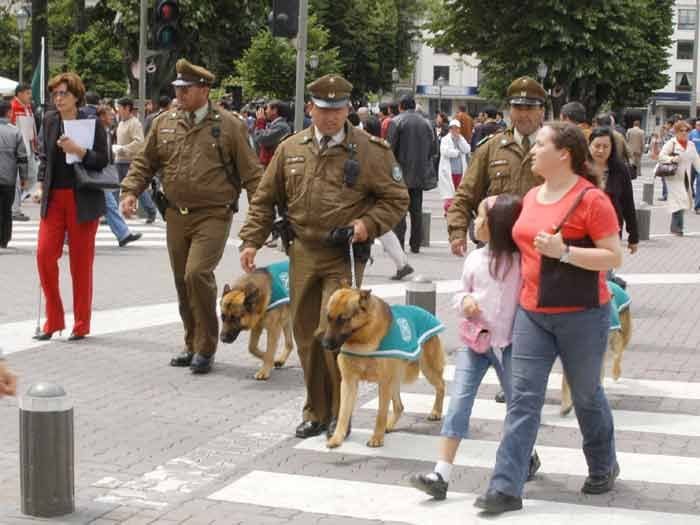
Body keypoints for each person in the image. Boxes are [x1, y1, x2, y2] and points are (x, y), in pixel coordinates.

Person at [238, 73, 409, 439]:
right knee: (305, 335)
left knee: (332, 330)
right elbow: (264, 199)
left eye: (338, 109)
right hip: (302, 251)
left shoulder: (369, 150)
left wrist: (367, 224)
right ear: (310, 108)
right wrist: (251, 240)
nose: (330, 117)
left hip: (343, 253)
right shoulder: (291, 148)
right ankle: (315, 410)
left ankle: (337, 415)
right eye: (323, 109)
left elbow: (396, 198)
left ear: (348, 109)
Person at [475, 122, 623, 514]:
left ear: (564, 154)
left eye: (541, 144)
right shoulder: (531, 195)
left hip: (583, 315)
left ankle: (603, 465)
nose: (533, 150)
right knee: (522, 399)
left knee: (587, 394)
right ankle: (505, 486)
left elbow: (613, 256)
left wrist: (566, 252)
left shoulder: (592, 200)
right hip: (532, 313)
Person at [120, 59, 262, 374]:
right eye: (177, 89)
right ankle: (190, 342)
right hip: (175, 214)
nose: (180, 94)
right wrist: (130, 191)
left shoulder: (229, 125)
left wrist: (259, 223)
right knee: (182, 283)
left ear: (204, 90)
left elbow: (252, 175)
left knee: (196, 273)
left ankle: (207, 346)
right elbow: (145, 162)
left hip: (213, 214)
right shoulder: (164, 122)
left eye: (186, 89)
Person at [410, 193, 540, 501]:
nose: (476, 222)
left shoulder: (523, 262)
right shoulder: (474, 259)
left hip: (510, 346)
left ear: (499, 226)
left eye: (481, 217)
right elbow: (461, 292)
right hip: (474, 342)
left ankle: (528, 455)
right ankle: (440, 473)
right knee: (459, 403)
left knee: (517, 406)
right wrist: (464, 301)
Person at [31, 72, 109, 341]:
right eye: (55, 94)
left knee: (81, 263)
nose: (58, 98)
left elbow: (102, 160)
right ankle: (54, 320)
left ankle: (82, 323)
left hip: (82, 198)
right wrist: (41, 185)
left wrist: (78, 150)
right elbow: (44, 158)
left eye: (63, 93)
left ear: (76, 96)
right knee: (43, 255)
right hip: (54, 197)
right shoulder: (50, 120)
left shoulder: (92, 122)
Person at [447, 76, 546, 258]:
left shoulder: (555, 148)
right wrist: (457, 231)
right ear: (509, 110)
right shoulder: (490, 148)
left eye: (530, 108)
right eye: (517, 107)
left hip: (541, 250)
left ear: (542, 111)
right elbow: (466, 194)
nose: (523, 114)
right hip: (496, 250)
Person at [365, 113, 414, 281]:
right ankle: (400, 263)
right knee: (382, 229)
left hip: (370, 195)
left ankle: (398, 263)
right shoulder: (384, 146)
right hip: (380, 193)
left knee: (379, 229)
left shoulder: (366, 148)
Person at [387, 95, 436, 253]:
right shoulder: (427, 123)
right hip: (420, 172)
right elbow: (433, 149)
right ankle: (415, 244)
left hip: (400, 173)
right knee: (416, 210)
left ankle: (399, 244)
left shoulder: (396, 121)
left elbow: (390, 149)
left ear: (401, 106)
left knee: (399, 211)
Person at [96, 105, 142, 247]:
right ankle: (67, 235)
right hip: (98, 174)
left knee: (110, 203)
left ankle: (123, 234)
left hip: (104, 173)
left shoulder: (106, 130)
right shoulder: (98, 131)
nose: (112, 117)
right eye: (109, 114)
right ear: (102, 116)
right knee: (108, 203)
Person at [589, 127, 638, 255]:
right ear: (589, 146)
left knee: (606, 271)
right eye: (597, 146)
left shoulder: (620, 170)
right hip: (584, 232)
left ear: (612, 148)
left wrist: (633, 236)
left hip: (611, 231)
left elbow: (628, 203)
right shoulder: (579, 169)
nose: (601, 150)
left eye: (606, 146)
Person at [114, 97, 157, 224]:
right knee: (116, 188)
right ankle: (114, 213)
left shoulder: (135, 123)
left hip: (130, 160)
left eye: (120, 108)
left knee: (136, 188)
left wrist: (123, 149)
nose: (118, 111)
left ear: (127, 108)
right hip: (120, 160)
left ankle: (151, 210)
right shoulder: (121, 123)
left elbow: (139, 142)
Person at [658, 119, 700, 236]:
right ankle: (678, 228)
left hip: (685, 176)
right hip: (673, 176)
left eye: (687, 130)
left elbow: (696, 160)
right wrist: (671, 159)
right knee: (679, 200)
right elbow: (661, 156)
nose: (684, 133)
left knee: (683, 200)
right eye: (681, 130)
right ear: (676, 132)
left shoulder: (691, 145)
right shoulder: (672, 143)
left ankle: (675, 227)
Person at [0, 100, 28, 248]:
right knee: (6, 210)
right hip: (8, 179)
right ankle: (4, 239)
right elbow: (22, 158)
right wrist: (23, 177)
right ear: (9, 113)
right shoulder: (15, 131)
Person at [9, 83, 35, 222]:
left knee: (32, 176)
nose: (30, 96)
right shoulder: (13, 107)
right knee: (18, 180)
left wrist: (34, 145)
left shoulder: (28, 108)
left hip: (28, 148)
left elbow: (32, 129)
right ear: (19, 94)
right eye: (28, 93)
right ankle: (15, 209)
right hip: (17, 149)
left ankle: (14, 203)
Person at [438, 119, 470, 213]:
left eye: (457, 128)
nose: (455, 130)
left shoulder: (461, 139)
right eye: (453, 128)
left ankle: (457, 211)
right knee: (449, 194)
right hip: (448, 171)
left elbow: (467, 149)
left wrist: (460, 141)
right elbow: (445, 151)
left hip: (460, 171)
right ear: (450, 129)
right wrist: (457, 153)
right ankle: (449, 212)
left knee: (459, 193)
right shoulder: (445, 139)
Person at [254, 100, 292, 167]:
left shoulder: (281, 127)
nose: (265, 111)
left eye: (267, 108)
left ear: (274, 110)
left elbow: (261, 139)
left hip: (273, 166)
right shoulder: (275, 125)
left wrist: (260, 120)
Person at [689, 120, 700, 213]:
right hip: (691, 161)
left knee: (699, 184)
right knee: (688, 182)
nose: (698, 126)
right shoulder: (692, 133)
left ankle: (697, 206)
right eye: (697, 125)